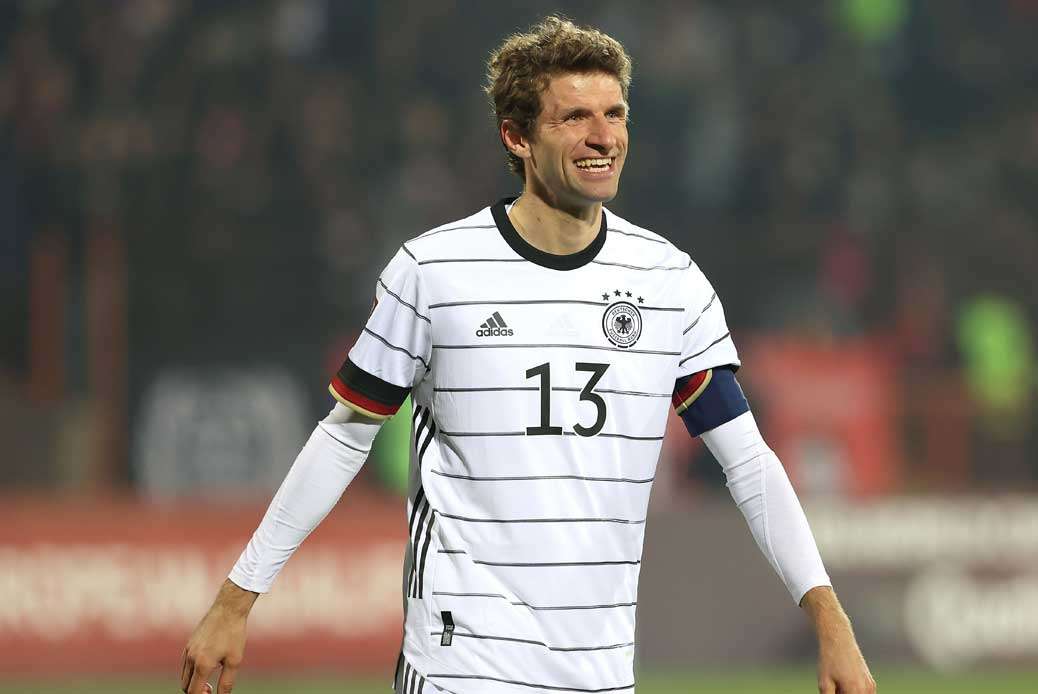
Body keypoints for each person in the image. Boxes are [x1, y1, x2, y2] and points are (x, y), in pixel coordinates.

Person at [182, 15, 875, 694]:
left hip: (599, 672)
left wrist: (830, 618)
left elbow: (748, 463)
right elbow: (343, 439)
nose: (604, 136)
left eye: (615, 113)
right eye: (574, 117)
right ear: (516, 137)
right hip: (462, 665)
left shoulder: (670, 283)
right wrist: (236, 599)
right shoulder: (435, 272)